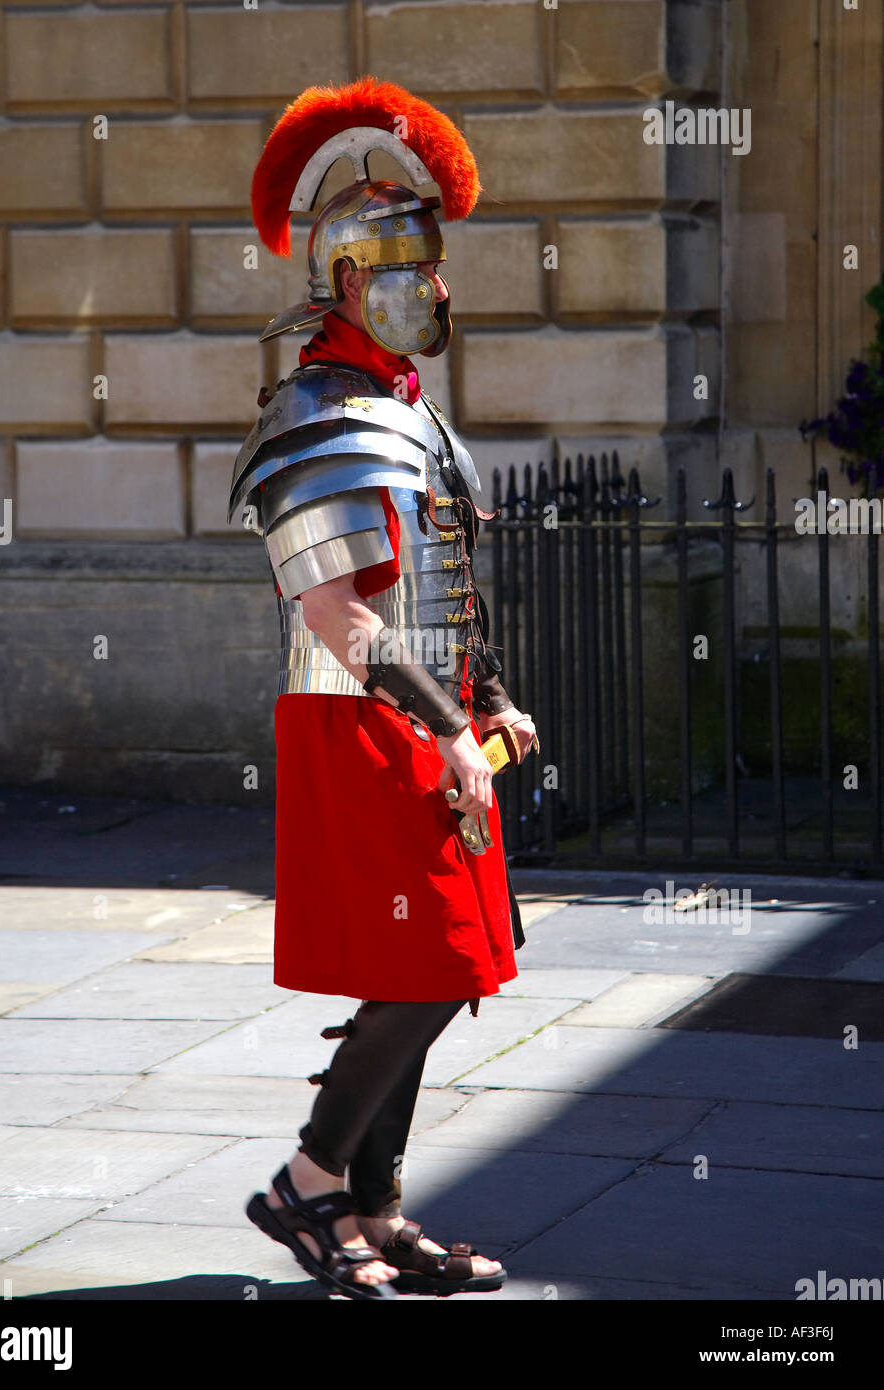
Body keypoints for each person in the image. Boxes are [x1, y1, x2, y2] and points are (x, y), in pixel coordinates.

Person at [229, 78, 538, 1300]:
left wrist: (492, 694)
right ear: (350, 279)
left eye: (439, 260)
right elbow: (336, 613)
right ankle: (309, 1183)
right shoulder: (313, 407)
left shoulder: (414, 414)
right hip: (356, 723)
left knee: (434, 962)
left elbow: (445, 584)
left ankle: (376, 1212)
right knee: (436, 963)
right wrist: (453, 726)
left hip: (424, 718)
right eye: (413, 262)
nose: (440, 288)